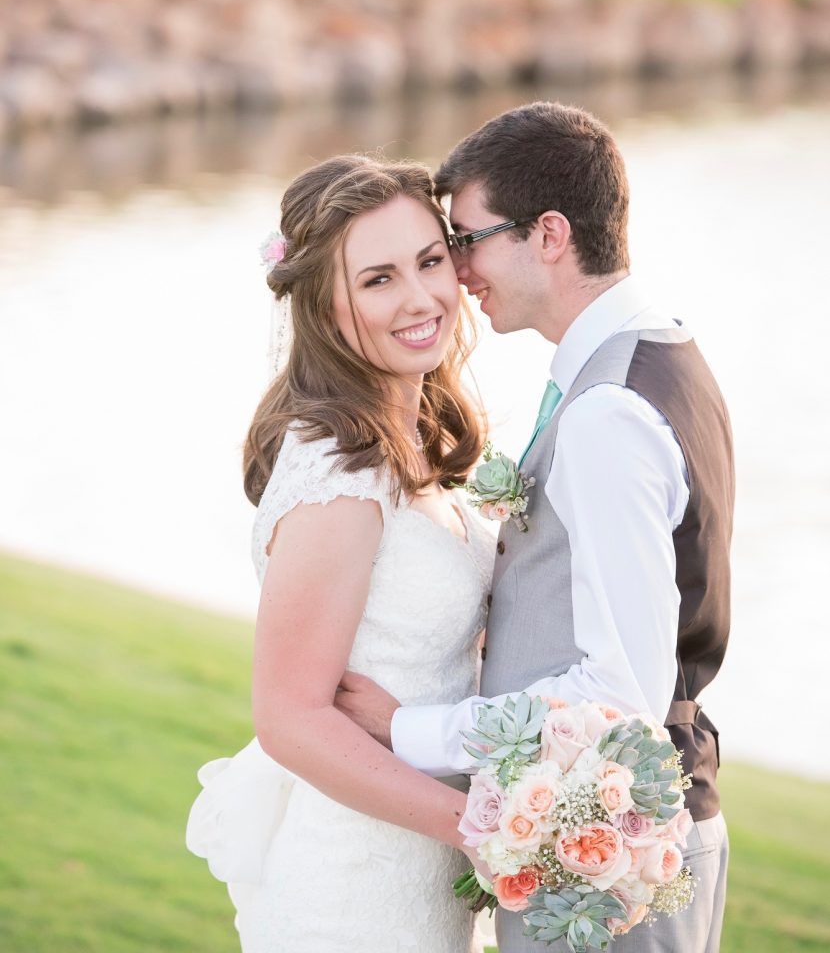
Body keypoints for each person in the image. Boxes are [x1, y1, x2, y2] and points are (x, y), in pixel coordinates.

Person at [335, 102, 734, 953]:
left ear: (548, 234)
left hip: (613, 851)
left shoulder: (608, 415)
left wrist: (408, 729)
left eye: (468, 238)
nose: (457, 271)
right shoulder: (657, 353)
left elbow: (618, 695)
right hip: (625, 827)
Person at [185, 154, 496, 952]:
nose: (422, 298)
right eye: (378, 279)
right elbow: (289, 717)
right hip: (358, 900)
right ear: (324, 304)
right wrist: (487, 829)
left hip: (425, 878)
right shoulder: (341, 473)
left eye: (431, 261)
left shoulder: (407, 442)